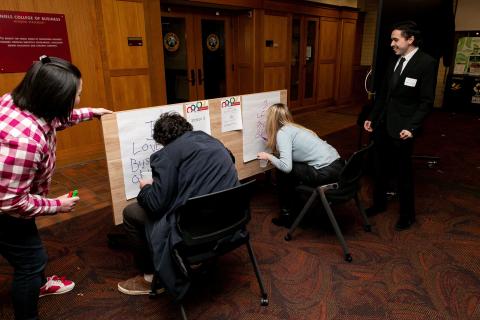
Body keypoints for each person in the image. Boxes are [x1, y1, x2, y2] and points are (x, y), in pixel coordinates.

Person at [0, 55, 112, 320]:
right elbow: (10, 203)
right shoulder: (24, 142)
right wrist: (56, 206)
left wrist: (91, 113)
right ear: (55, 99)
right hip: (5, 211)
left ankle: (39, 283)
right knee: (30, 262)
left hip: (11, 198)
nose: (79, 100)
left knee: (30, 248)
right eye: (77, 95)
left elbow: (56, 119)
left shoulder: (15, 102)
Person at [117, 112, 239, 298]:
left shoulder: (166, 155)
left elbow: (155, 204)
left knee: (130, 213)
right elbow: (230, 159)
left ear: (162, 141)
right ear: (186, 127)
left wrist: (146, 187)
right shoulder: (211, 140)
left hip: (191, 229)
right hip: (228, 221)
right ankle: (197, 261)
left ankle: (150, 278)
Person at [363, 21, 437, 231]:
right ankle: (379, 204)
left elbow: (426, 101)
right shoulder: (393, 60)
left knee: (403, 172)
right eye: (392, 39)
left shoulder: (426, 63)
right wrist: (372, 116)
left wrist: (412, 127)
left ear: (410, 39)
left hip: (404, 129)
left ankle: (407, 215)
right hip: (383, 124)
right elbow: (384, 94)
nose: (392, 43)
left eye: (396, 39)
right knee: (379, 167)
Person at [257, 103, 344, 227]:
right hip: (339, 166)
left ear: (271, 120)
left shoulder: (282, 133)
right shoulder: (294, 128)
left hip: (325, 172)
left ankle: (287, 216)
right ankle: (299, 208)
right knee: (290, 167)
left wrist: (268, 156)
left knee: (282, 171)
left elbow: (286, 167)